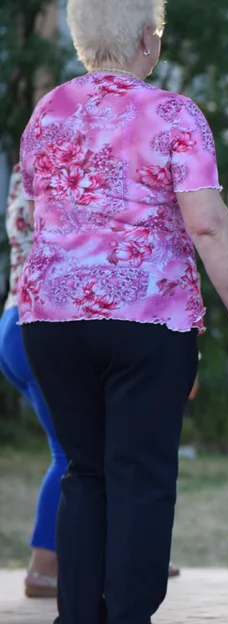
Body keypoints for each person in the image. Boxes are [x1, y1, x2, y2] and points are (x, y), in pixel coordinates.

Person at [17, 0, 228, 623]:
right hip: (144, 321)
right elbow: (206, 222)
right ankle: (129, 615)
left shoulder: (48, 109)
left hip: (50, 319)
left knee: (85, 473)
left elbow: (30, 215)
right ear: (146, 38)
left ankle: (78, 615)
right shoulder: (171, 113)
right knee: (140, 477)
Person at [0, 163, 63, 599]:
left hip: (15, 317)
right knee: (75, 454)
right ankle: (44, 568)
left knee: (79, 450)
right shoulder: (71, 165)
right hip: (44, 320)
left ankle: (112, 549)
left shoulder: (26, 167)